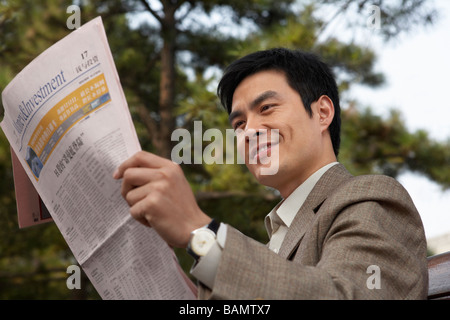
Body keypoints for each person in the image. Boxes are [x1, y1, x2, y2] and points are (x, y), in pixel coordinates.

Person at [113, 48, 428, 299]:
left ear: (322, 113)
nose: (249, 131)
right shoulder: (274, 241)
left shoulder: (373, 198)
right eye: (238, 124)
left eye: (266, 109)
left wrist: (200, 233)